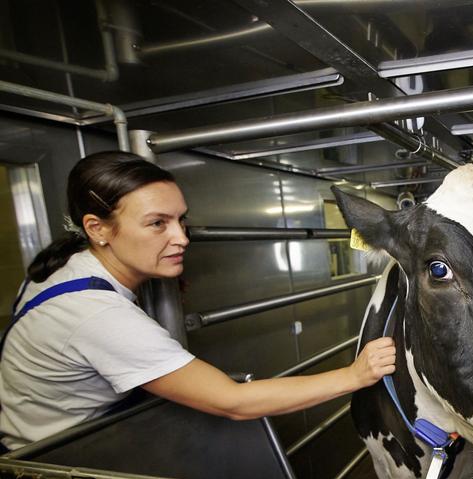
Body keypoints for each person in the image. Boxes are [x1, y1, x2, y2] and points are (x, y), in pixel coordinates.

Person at [0, 151, 396, 452]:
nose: (182, 238)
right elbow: (233, 402)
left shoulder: (64, 269)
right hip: (46, 466)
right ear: (97, 228)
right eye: (157, 223)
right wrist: (354, 375)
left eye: (180, 220)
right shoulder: (96, 315)